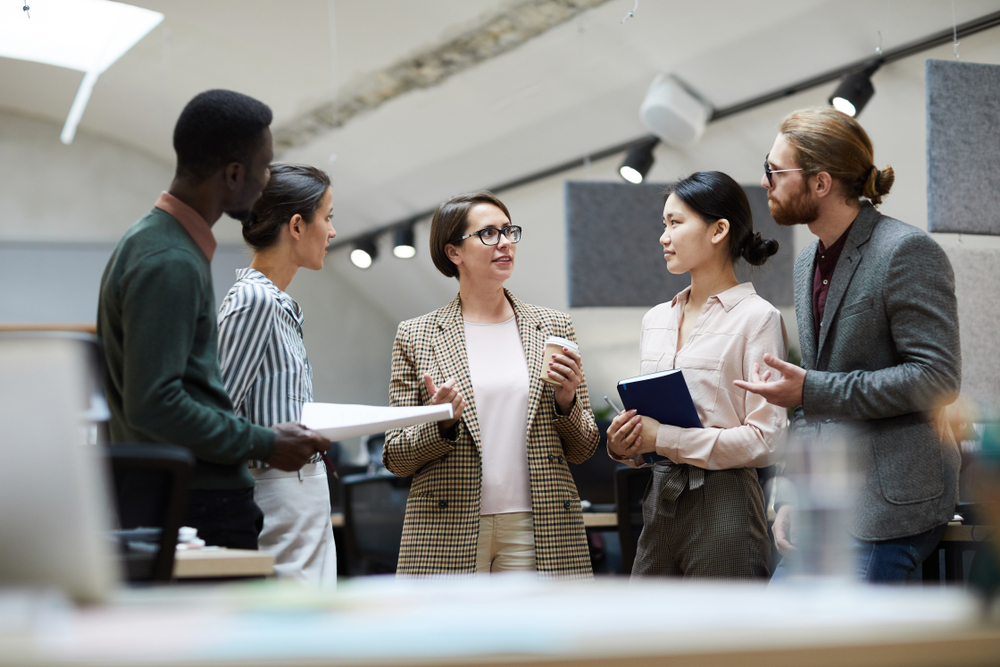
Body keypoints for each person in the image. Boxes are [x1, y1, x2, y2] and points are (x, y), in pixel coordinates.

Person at [735, 107, 961, 583]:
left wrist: (813, 389)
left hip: (888, 511)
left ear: (820, 183)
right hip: (823, 504)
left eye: (775, 170)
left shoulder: (905, 251)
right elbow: (812, 404)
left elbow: (937, 378)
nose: (765, 180)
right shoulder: (805, 263)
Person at [97, 90, 330, 550]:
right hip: (198, 501)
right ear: (235, 174)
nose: (266, 183)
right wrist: (264, 441)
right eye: (263, 168)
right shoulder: (170, 259)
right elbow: (156, 403)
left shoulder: (158, 243)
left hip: (184, 493)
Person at [382, 191, 600, 577]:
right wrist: (442, 424)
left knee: (536, 638)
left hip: (539, 525)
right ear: (454, 253)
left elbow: (583, 449)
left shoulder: (553, 327)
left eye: (509, 231)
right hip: (447, 525)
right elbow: (396, 457)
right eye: (488, 233)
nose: (505, 242)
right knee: (453, 639)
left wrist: (567, 403)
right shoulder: (416, 335)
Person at [606, 171, 787, 579]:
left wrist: (662, 438)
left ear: (719, 229)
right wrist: (628, 444)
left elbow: (766, 440)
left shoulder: (758, 319)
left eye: (675, 223)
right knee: (645, 640)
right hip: (659, 497)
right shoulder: (655, 320)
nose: (663, 236)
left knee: (721, 638)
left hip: (726, 502)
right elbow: (650, 428)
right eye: (663, 224)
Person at [217, 163, 338, 584]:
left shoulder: (274, 300)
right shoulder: (255, 300)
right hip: (277, 487)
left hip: (299, 486)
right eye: (328, 217)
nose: (333, 231)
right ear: (298, 226)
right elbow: (219, 413)